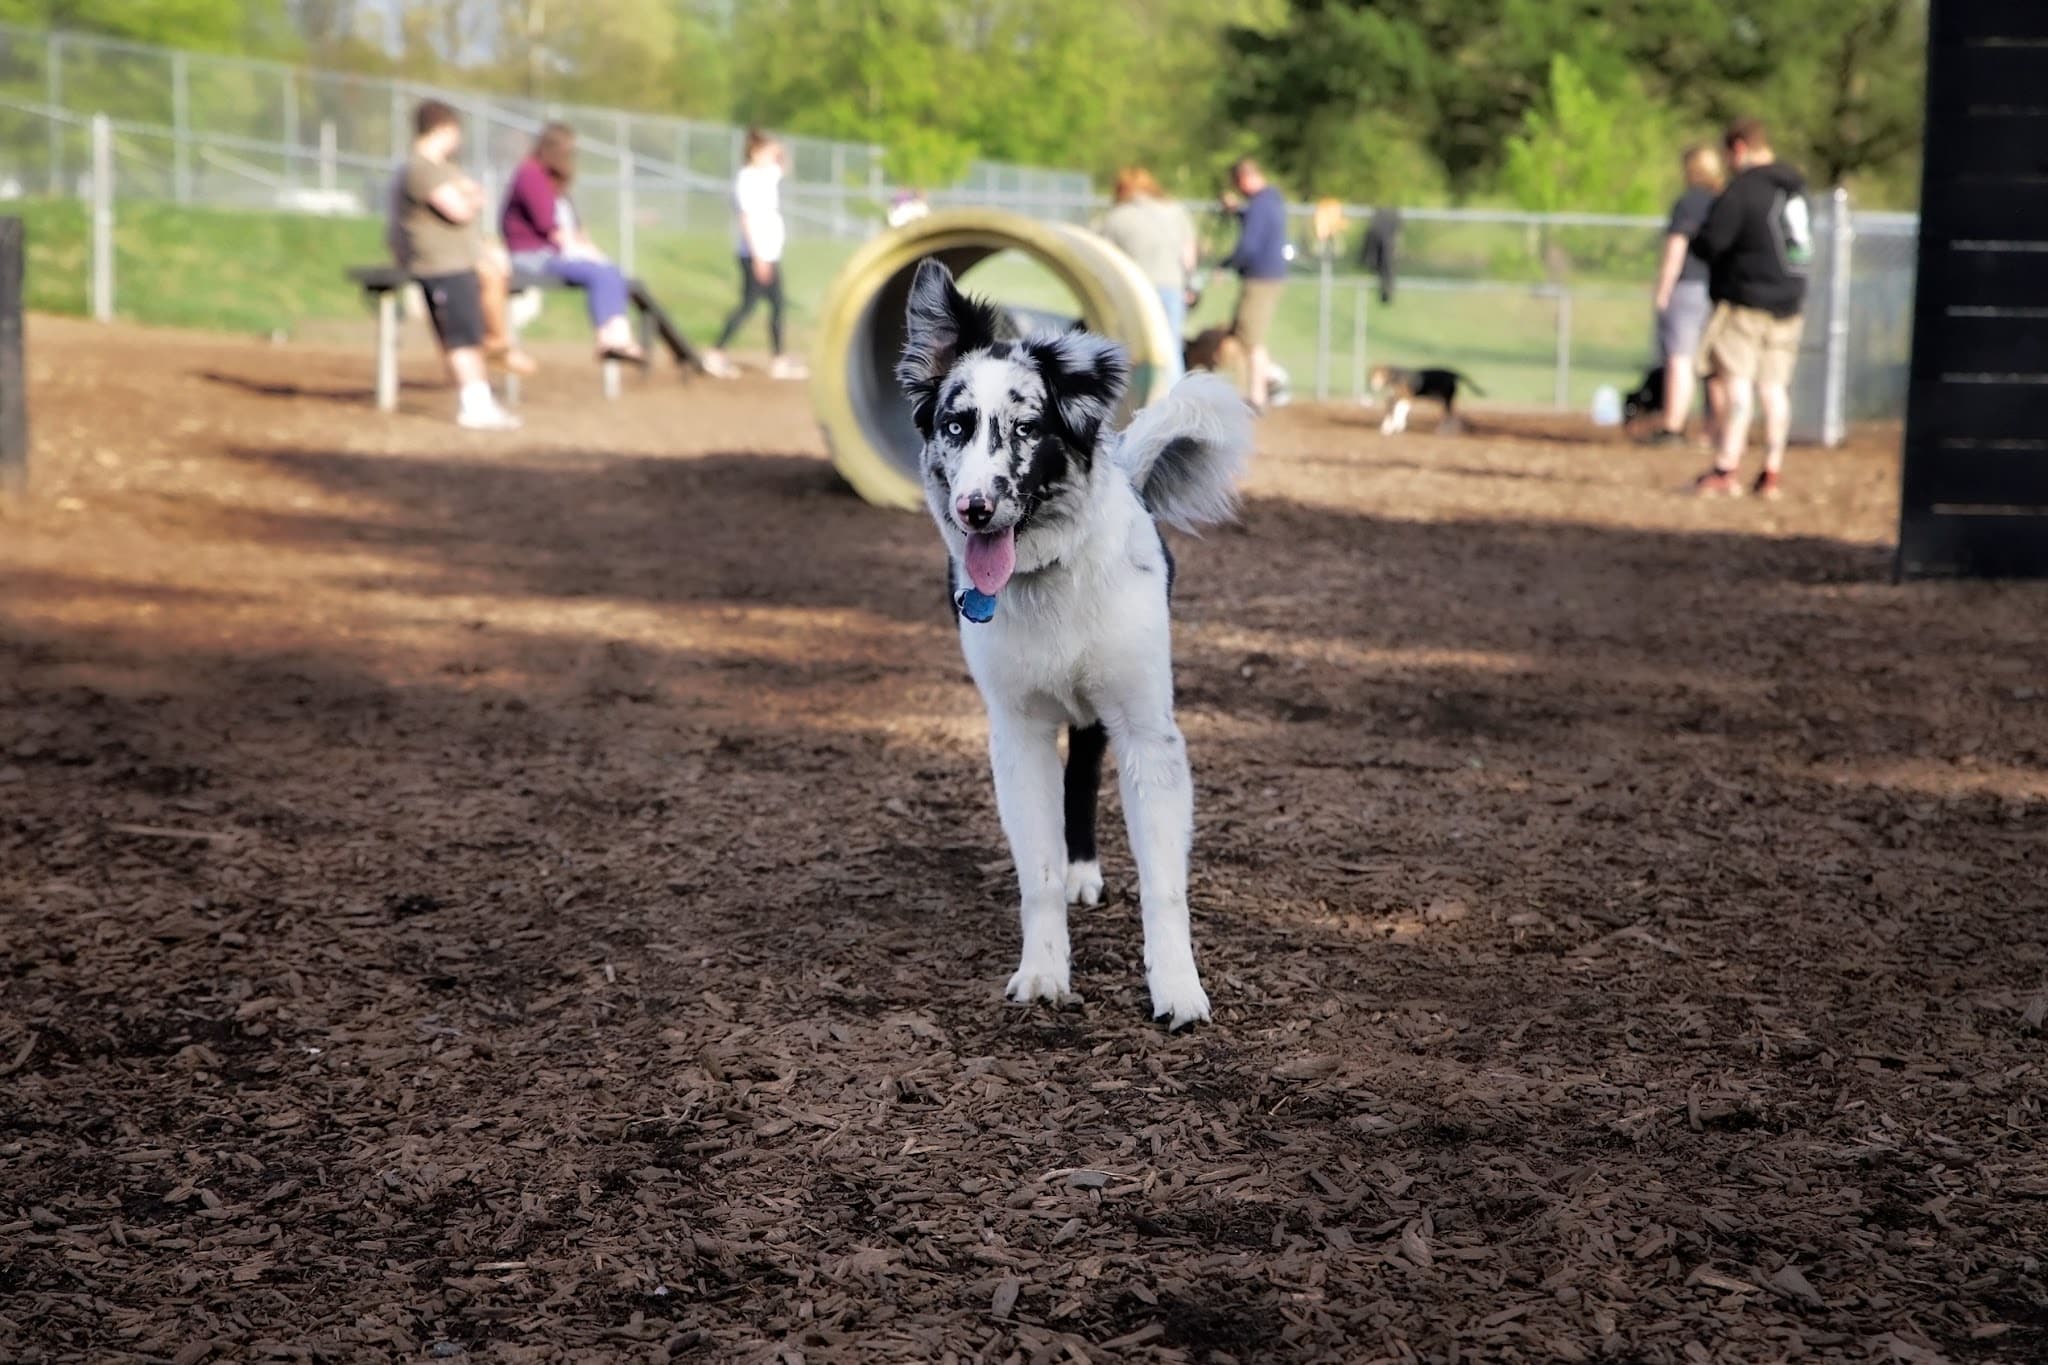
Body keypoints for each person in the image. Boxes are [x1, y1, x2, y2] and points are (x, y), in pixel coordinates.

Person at [1687, 118, 1812, 498]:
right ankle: (1772, 472)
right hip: (1789, 303)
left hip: (1746, 301)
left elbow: (1713, 242)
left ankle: (1727, 467)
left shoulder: (1744, 189)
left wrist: (1697, 239)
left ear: (1739, 148)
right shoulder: (1794, 190)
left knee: (1738, 384)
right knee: (1774, 388)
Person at [388, 99, 518, 430]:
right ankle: (474, 406)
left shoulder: (443, 168)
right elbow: (456, 209)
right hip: (440, 265)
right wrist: (471, 198)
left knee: (469, 333)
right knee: (461, 336)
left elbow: (468, 197)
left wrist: (469, 197)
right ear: (444, 129)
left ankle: (481, 399)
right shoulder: (421, 168)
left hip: (458, 263)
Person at [500, 123, 643, 364]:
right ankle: (607, 337)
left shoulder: (554, 182)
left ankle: (618, 336)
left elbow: (575, 227)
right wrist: (580, 251)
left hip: (558, 253)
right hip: (534, 255)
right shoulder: (530, 175)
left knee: (610, 271)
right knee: (599, 272)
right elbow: (548, 226)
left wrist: (591, 251)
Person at [703, 129, 805, 381]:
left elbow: (784, 164)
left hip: (770, 254)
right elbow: (746, 220)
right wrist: (758, 257)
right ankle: (715, 353)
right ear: (755, 152)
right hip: (756, 255)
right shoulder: (746, 179)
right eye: (766, 152)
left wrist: (776, 147)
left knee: (777, 305)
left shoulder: (766, 175)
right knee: (748, 305)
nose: (771, 156)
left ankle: (779, 360)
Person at [1643, 144, 1726, 448]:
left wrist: (1664, 289)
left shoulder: (1690, 202)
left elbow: (1676, 248)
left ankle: (1673, 426)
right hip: (1720, 289)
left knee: (1681, 357)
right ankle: (1717, 430)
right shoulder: (1726, 202)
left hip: (1688, 287)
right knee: (1715, 365)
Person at [1096, 167, 1197, 389]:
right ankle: (1176, 397)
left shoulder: (1117, 217)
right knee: (1171, 346)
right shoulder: (1176, 211)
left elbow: (1104, 259)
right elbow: (1188, 257)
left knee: (1134, 346)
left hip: (1136, 291)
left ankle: (1137, 397)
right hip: (1172, 286)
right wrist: (1190, 285)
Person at [1219, 158, 1288, 413]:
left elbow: (1249, 245)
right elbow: (1256, 225)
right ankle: (1262, 387)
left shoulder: (1260, 204)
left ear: (1244, 179)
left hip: (1260, 278)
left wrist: (1226, 265)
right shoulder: (1270, 199)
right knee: (1247, 334)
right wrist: (1239, 212)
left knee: (1250, 337)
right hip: (1267, 276)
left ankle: (1261, 392)